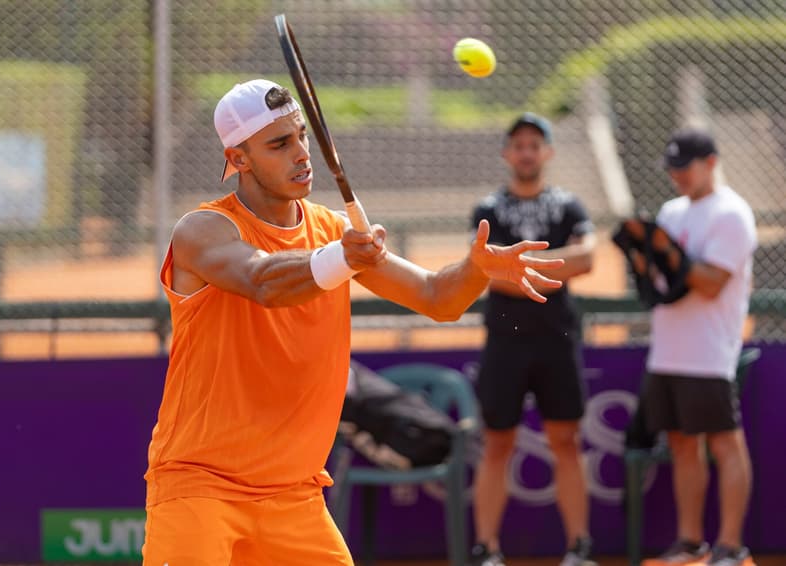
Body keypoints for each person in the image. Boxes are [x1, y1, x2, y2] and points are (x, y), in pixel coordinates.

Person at [140, 79, 565, 566]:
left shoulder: (331, 231)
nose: (302, 153)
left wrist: (476, 271)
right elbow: (262, 281)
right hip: (201, 489)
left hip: (295, 497)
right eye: (280, 144)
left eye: (302, 136)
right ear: (238, 159)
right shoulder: (203, 230)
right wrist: (341, 258)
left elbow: (436, 298)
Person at [469, 113, 598, 566]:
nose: (526, 151)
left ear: (548, 153)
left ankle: (578, 548)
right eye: (518, 144)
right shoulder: (488, 209)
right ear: (507, 154)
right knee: (497, 443)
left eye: (534, 144)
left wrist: (516, 270)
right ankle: (487, 550)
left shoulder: (569, 206)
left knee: (566, 441)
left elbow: (587, 258)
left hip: (556, 340)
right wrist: (550, 272)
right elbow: (486, 271)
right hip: (506, 342)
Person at [639, 128, 757, 566]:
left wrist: (666, 259)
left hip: (710, 354)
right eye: (672, 170)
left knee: (724, 444)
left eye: (684, 167)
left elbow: (710, 284)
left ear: (710, 162)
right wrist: (641, 256)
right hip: (666, 350)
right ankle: (691, 543)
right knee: (682, 445)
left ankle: (730, 546)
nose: (677, 177)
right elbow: (657, 280)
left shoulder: (732, 214)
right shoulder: (671, 212)